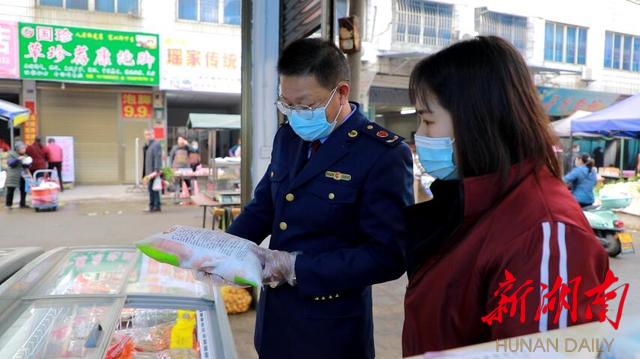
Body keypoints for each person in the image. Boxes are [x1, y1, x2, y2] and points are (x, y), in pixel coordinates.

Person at [402, 36, 609, 356]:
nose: (421, 134)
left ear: (477, 120)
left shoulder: (544, 232)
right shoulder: (474, 202)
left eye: (428, 120)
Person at [217, 38, 413, 358]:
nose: (296, 115)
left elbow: (389, 256)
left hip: (330, 329)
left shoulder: (381, 154)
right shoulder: (289, 137)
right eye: (286, 104)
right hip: (275, 321)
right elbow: (265, 205)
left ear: (342, 93)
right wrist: (220, 250)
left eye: (306, 106)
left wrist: (296, 267)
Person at [5, 141, 30, 209]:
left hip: (23, 175)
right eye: (22, 149)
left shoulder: (25, 155)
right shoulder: (11, 154)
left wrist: (28, 163)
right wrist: (17, 159)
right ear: (18, 149)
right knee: (11, 190)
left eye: (24, 148)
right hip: (13, 175)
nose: (24, 150)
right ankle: (8, 205)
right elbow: (10, 163)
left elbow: (27, 166)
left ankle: (22, 204)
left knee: (24, 190)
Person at [143, 129, 162, 212]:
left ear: (153, 134)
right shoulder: (148, 145)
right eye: (146, 134)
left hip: (154, 171)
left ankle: (155, 206)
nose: (147, 136)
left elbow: (157, 158)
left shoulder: (156, 144)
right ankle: (153, 205)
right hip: (149, 171)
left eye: (149, 134)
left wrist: (157, 170)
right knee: (151, 189)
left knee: (154, 189)